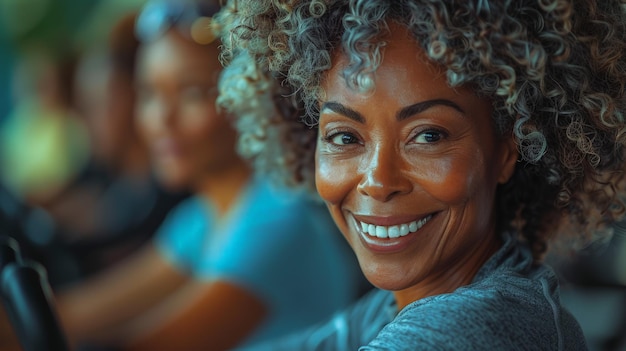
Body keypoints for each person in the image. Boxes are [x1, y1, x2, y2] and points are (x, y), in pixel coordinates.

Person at [217, 0, 626, 349]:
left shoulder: (474, 328)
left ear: (506, 151)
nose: (378, 180)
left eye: (427, 135)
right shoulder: (402, 302)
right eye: (344, 136)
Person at [0, 1, 366, 350]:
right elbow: (76, 314)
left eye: (191, 93)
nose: (162, 119)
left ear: (249, 96)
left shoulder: (277, 218)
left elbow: (140, 348)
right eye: (148, 94)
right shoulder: (200, 220)